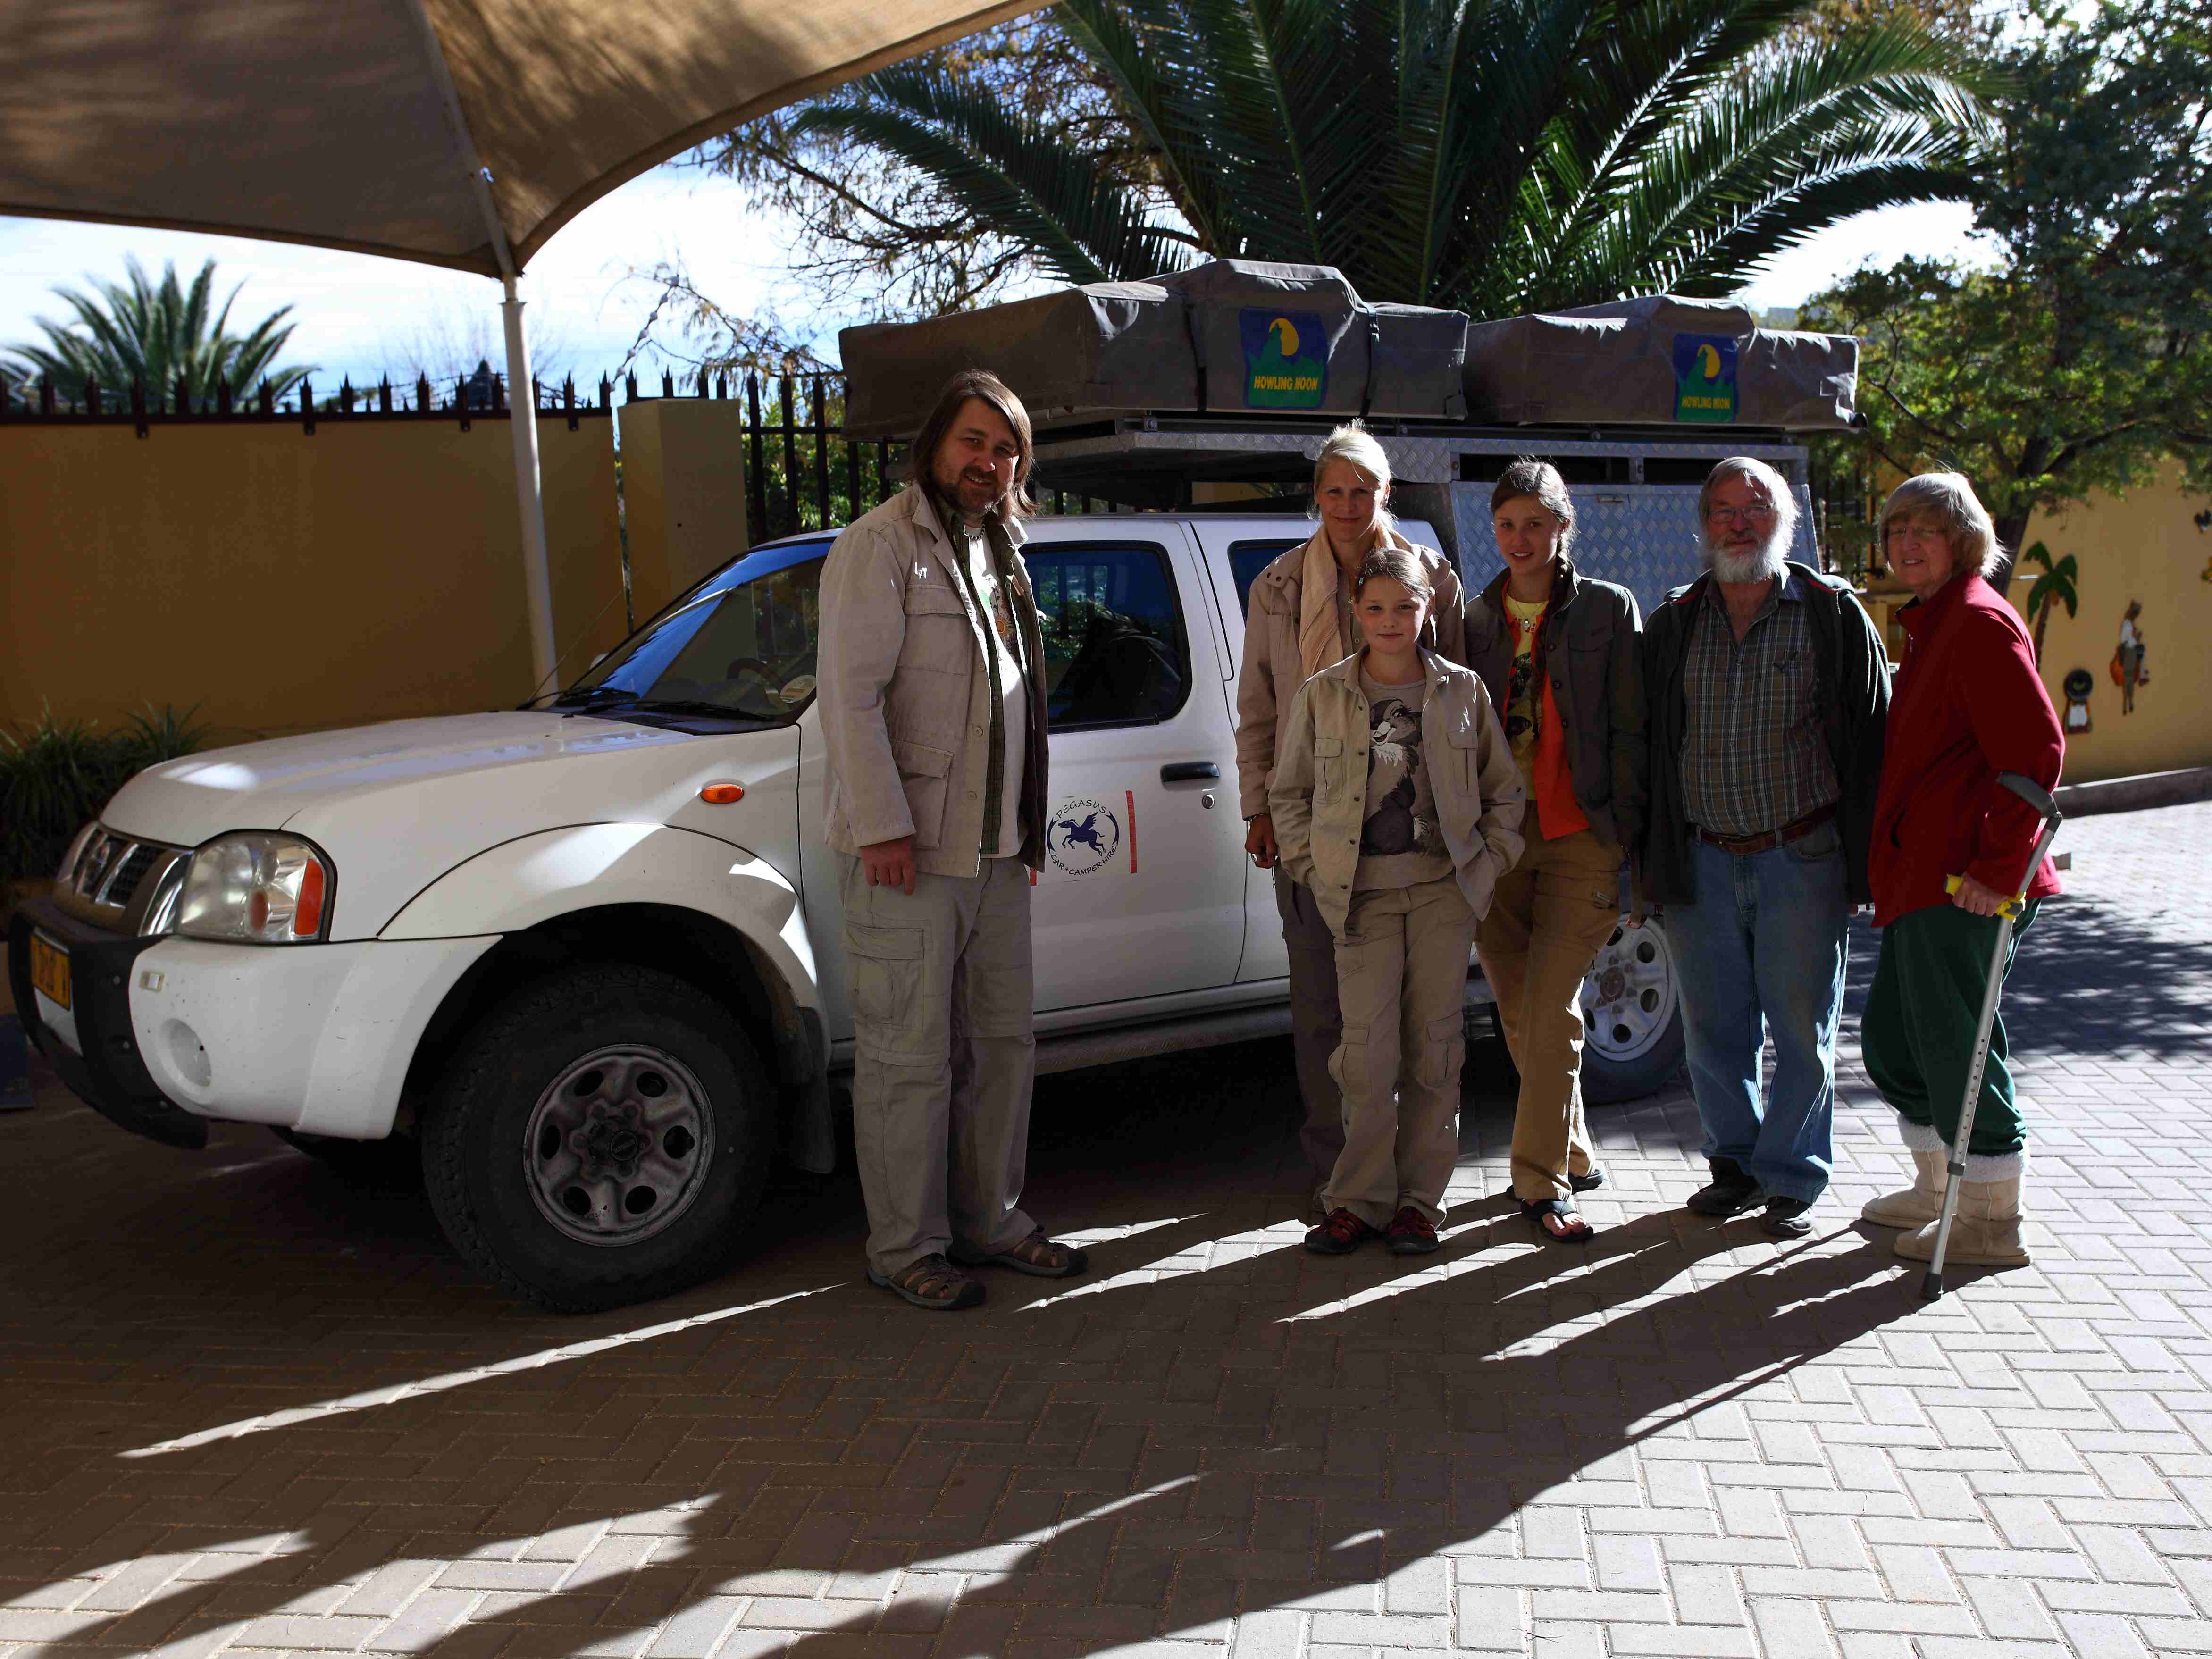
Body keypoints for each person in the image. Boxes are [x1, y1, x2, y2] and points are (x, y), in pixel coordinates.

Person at [816, 369, 1089, 1310]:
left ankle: (991, 1224)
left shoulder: (1000, 547)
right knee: (907, 1061)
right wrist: (883, 828)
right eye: (974, 441)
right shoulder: (880, 544)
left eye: (1007, 449)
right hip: (911, 855)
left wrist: (1024, 833)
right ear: (936, 443)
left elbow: (1016, 707)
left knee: (1001, 1048)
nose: (989, 462)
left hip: (996, 855)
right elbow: (850, 699)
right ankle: (905, 1248)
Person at [1642, 457, 1890, 1238]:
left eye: (1757, 507)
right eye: (1723, 509)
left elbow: (1875, 743)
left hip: (1802, 859)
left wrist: (1869, 863)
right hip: (1702, 860)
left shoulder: (1831, 613)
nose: (1740, 522)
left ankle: (1793, 1175)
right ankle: (1736, 1165)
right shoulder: (1675, 620)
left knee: (1801, 1027)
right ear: (1704, 525)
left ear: (1787, 520)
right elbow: (1649, 748)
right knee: (1713, 1029)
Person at [1236, 425, 1468, 1208]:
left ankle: (1408, 1177)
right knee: (1322, 1011)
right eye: (1333, 491)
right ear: (1316, 496)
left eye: (1361, 490)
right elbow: (1259, 708)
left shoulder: (1431, 575)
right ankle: (1338, 1174)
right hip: (1316, 826)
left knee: (1415, 1016)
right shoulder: (1278, 586)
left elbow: (1461, 698)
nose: (1347, 505)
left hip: (1414, 832)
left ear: (1385, 493)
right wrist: (1260, 807)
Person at [1270, 548, 1525, 1256]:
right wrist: (1313, 867)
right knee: (1366, 1055)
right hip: (1362, 903)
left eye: (1405, 607)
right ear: (1356, 612)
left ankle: (1420, 1203)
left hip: (1444, 899)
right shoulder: (1324, 694)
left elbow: (1504, 791)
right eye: (1376, 607)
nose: (1390, 621)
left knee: (1435, 1051)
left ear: (1427, 609)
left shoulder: (1462, 691)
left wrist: (1487, 865)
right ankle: (1358, 1200)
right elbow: (1289, 795)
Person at [1859, 472, 2061, 1267]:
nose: (1908, 544)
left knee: (1957, 1043)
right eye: (1898, 529)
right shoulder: (1935, 621)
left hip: (1966, 882)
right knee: (1898, 1040)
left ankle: (1989, 1220)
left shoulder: (1977, 621)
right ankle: (1941, 1184)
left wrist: (1997, 867)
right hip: (1923, 873)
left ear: (1963, 541)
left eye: (1928, 530)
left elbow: (2036, 751)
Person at [1463, 460, 1647, 1242]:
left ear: (1563, 527)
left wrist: (1631, 839)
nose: (1520, 539)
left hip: (1582, 837)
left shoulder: (1608, 608)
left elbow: (1635, 729)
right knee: (1519, 1007)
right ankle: (1571, 1145)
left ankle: (1539, 1181)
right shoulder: (1475, 618)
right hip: (1499, 841)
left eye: (1535, 524)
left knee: (1547, 1009)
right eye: (1507, 525)